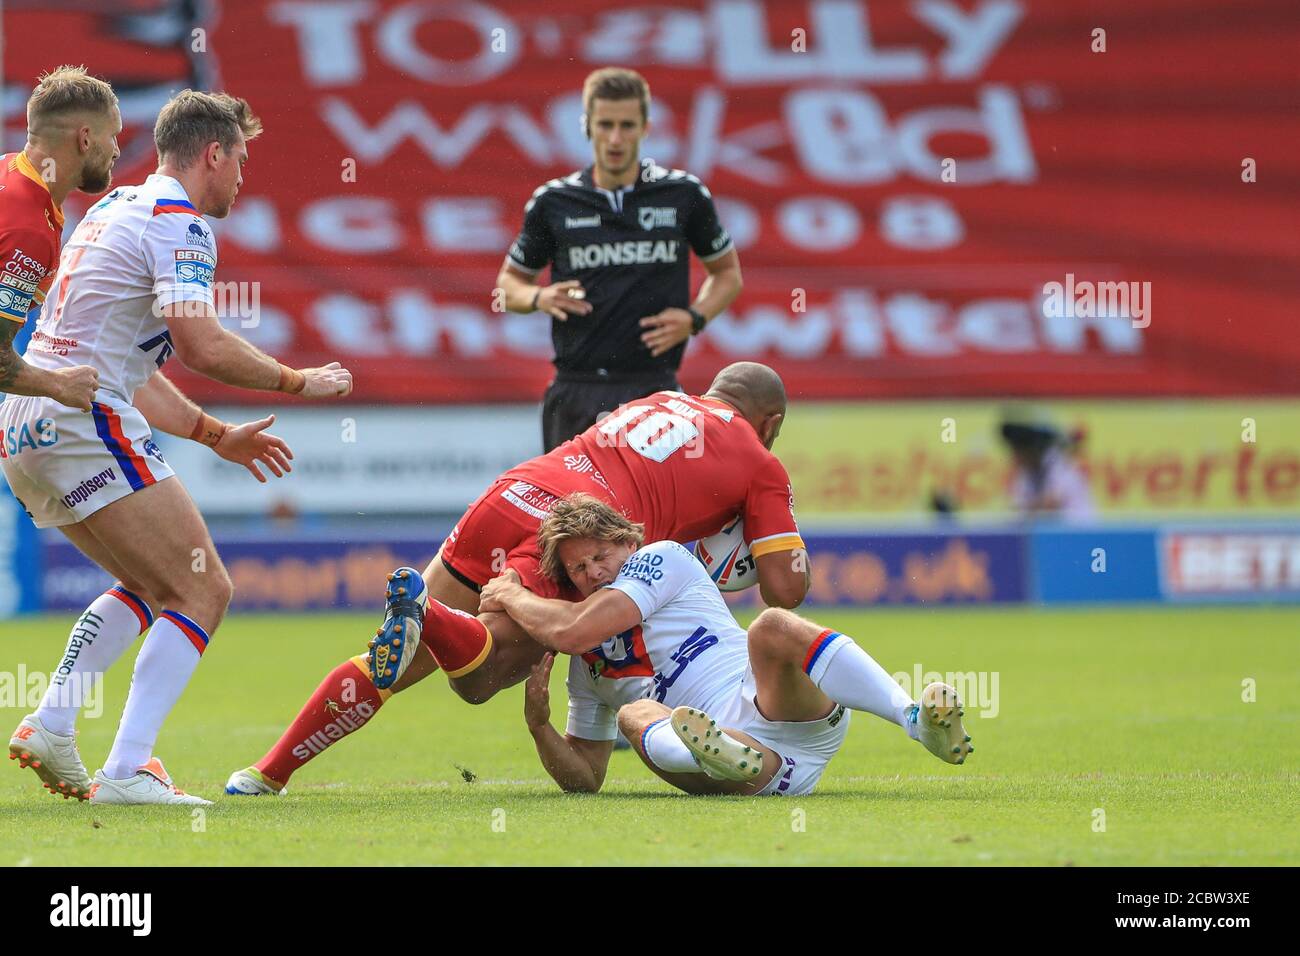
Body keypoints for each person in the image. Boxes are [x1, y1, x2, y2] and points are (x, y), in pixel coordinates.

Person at [227, 362, 806, 795]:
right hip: (577, 522)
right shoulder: (760, 459)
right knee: (479, 680)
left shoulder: (661, 400)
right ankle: (425, 613)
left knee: (401, 659)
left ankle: (266, 773)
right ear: (772, 421)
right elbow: (785, 590)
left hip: (516, 488)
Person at [4, 89, 353, 805]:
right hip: (79, 417)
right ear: (213, 154)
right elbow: (200, 344)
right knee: (203, 588)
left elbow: (132, 366)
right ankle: (128, 769)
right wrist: (298, 381)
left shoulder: (111, 210)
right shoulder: (179, 221)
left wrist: (215, 434)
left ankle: (54, 721)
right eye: (242, 161)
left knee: (150, 584)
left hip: (25, 423)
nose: (242, 179)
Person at [480, 494, 973, 796]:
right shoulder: (586, 670)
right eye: (578, 569)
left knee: (771, 626)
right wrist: (539, 726)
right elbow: (586, 776)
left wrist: (509, 593)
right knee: (635, 715)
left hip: (776, 707)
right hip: (752, 769)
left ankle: (913, 720)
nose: (592, 574)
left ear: (629, 544)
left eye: (599, 556)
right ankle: (717, 752)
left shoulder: (660, 559)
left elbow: (570, 630)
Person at [494, 66, 743, 452]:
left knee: (656, 511)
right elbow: (507, 287)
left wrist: (695, 318)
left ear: (645, 128)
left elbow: (727, 274)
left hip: (655, 387)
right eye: (605, 124)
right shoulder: (554, 202)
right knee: (573, 511)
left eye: (627, 125)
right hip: (577, 387)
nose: (615, 138)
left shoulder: (682, 194)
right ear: (586, 126)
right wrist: (540, 298)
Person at [0, 66, 117, 412]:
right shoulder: (28, 229)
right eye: (113, 136)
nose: (116, 150)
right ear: (85, 139)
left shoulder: (10, 168)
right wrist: (57, 384)